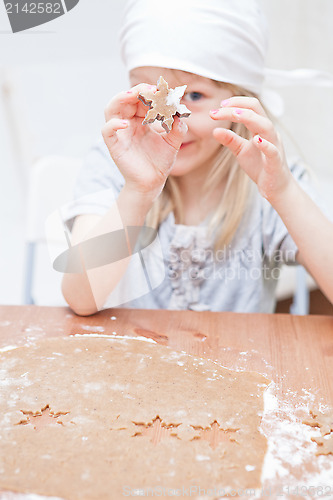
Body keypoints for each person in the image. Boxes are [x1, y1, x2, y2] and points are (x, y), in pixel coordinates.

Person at [61, 0, 333, 316]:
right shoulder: (112, 164)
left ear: (240, 103)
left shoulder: (270, 179)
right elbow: (81, 299)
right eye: (150, 96)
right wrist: (138, 190)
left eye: (194, 96)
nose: (169, 121)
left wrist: (283, 194)